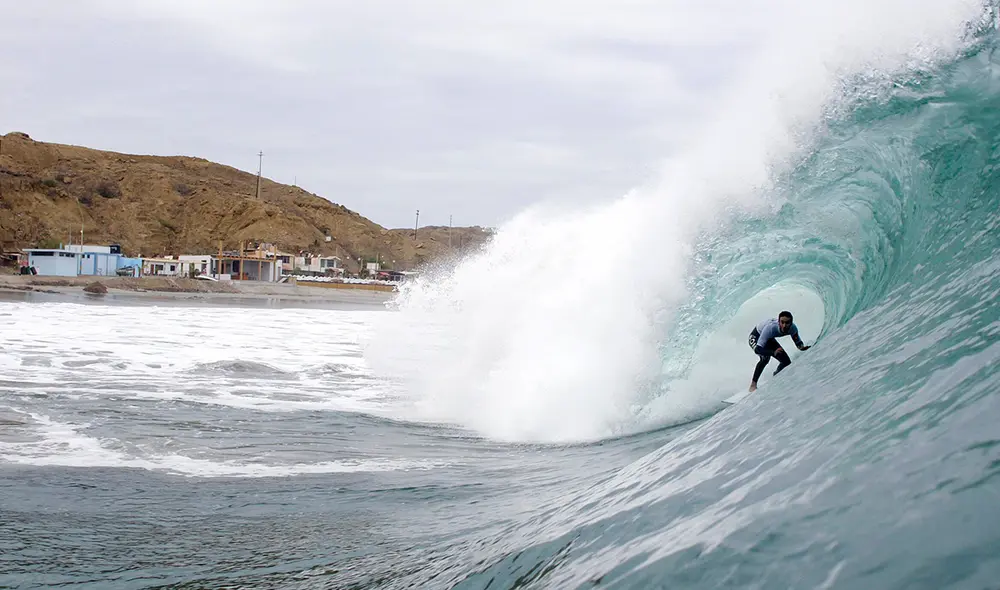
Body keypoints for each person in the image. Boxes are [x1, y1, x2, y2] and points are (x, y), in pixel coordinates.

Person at [748, 310, 810, 392]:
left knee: (786, 362)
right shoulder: (771, 328)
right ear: (778, 321)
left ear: (791, 323)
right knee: (765, 358)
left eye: (787, 323)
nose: (784, 325)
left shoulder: (793, 328)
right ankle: (753, 385)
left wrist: (802, 348)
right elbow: (758, 350)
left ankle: (776, 376)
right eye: (782, 322)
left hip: (769, 338)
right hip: (756, 336)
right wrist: (773, 352)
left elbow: (798, 343)